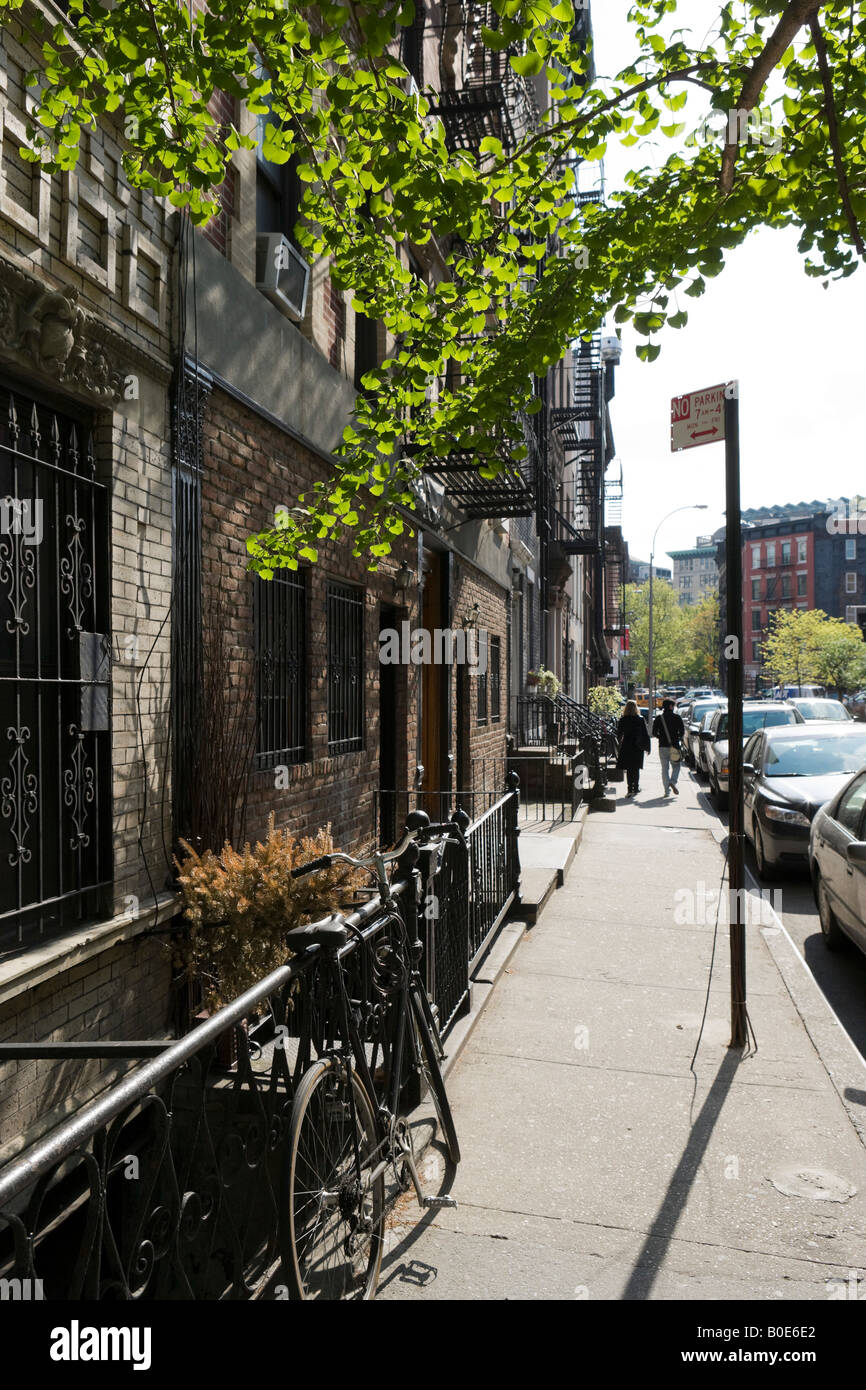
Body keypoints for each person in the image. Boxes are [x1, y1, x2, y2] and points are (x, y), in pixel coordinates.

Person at [616, 699, 651, 796]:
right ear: (636, 708)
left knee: (628, 769)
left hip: (626, 746)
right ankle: (635, 787)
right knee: (635, 769)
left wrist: (618, 745)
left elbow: (619, 734)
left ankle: (629, 789)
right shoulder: (640, 719)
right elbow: (645, 734)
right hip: (637, 747)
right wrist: (647, 748)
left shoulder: (623, 719)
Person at [653, 697, 685, 796]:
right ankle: (673, 781)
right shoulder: (677, 717)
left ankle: (667, 791)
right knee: (676, 766)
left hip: (662, 746)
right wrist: (677, 738)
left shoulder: (659, 718)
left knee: (664, 768)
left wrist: (660, 737)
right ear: (671, 706)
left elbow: (654, 733)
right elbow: (682, 732)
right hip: (674, 746)